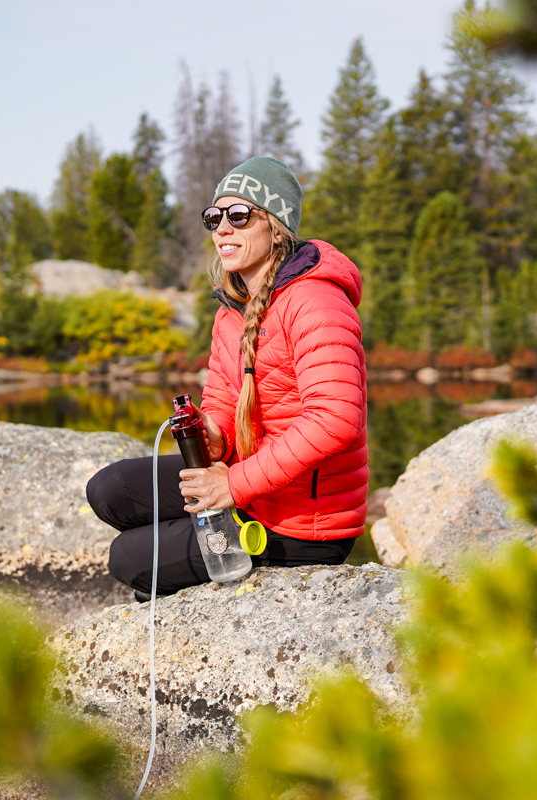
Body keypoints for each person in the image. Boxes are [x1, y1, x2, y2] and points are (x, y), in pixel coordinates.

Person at [86, 156, 368, 599]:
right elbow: (220, 397)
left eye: (239, 215)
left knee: (130, 559)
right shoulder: (231, 312)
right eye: (213, 217)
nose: (222, 229)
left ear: (276, 227)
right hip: (251, 489)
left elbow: (335, 419)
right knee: (110, 489)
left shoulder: (316, 300)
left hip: (302, 525)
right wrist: (214, 435)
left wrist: (231, 485)